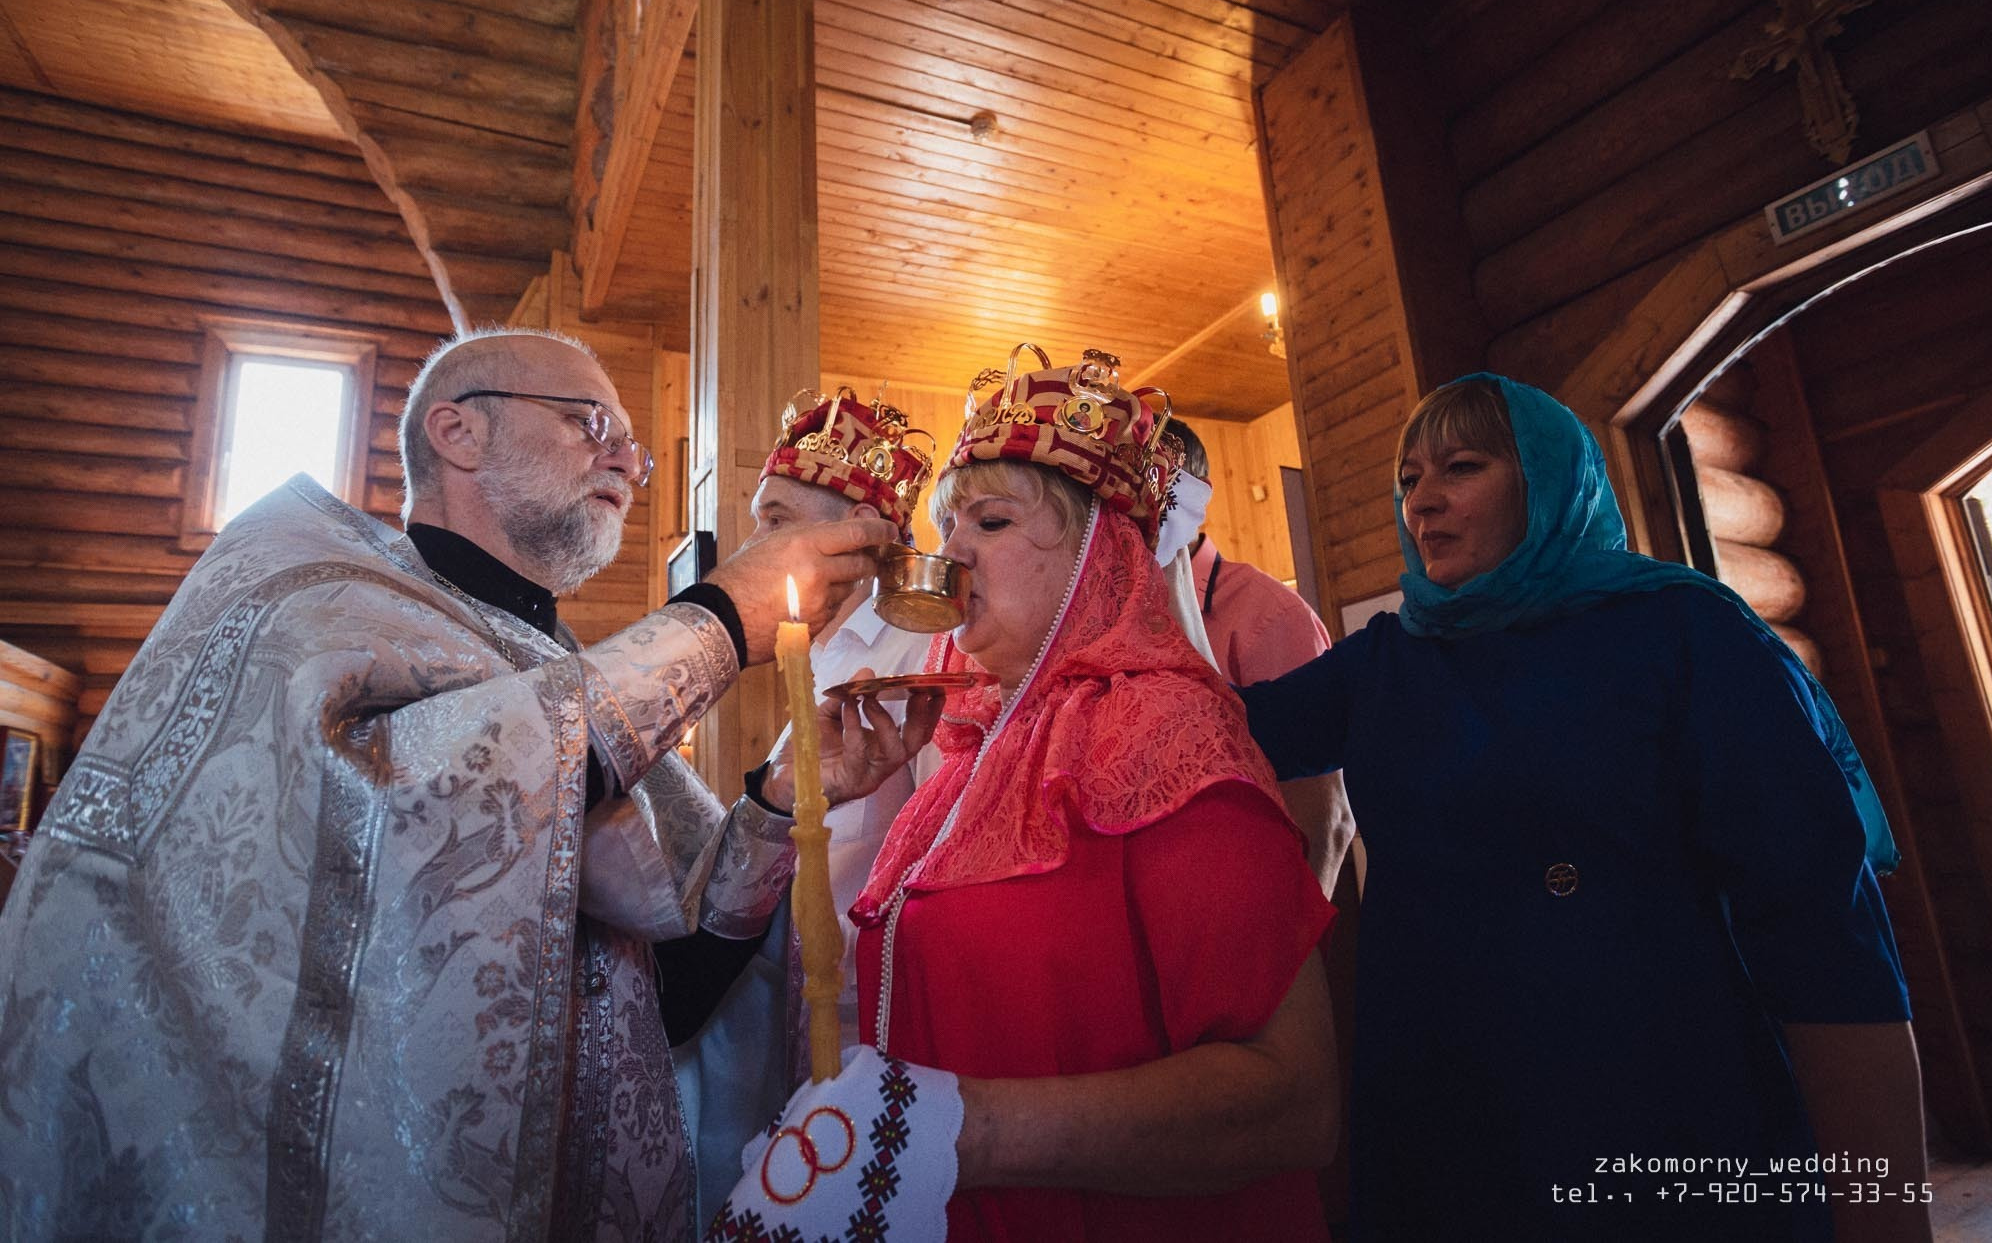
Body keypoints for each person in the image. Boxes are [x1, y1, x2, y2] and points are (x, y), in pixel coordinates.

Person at [0, 329, 930, 1242]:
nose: (625, 461)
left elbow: (670, 997)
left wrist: (773, 800)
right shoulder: (306, 596)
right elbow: (400, 838)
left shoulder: (561, 673)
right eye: (589, 422)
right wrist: (719, 620)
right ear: (457, 431)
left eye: (632, 449)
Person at [1238, 373, 1928, 1242]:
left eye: (1461, 467)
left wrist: (1887, 1218)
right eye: (1409, 480)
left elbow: (1826, 933)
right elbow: (1225, 736)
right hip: (1447, 1104)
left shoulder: (1683, 632)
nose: (1423, 503)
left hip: (1653, 1095)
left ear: (1549, 482)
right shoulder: (1391, 659)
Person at [706, 345, 1339, 1242]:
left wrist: (962, 1126)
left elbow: (1293, 1097)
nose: (952, 550)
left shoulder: (1166, 733)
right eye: (951, 522)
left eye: (991, 523)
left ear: (1099, 554)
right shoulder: (967, 744)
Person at [667, 387, 943, 1225]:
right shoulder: (814, 654)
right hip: (810, 1014)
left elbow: (938, 856)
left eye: (776, 518)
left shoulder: (921, 650)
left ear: (859, 534)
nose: (753, 547)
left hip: (886, 1025)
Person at [1159, 417, 1350, 887]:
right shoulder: (1108, 610)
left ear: (1192, 497)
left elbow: (1324, 817)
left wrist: (1293, 951)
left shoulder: (1270, 615)